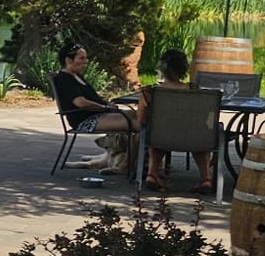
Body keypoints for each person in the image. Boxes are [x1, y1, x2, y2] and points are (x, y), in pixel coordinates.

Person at [138, 48, 217, 194]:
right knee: (201, 136)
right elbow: (207, 117)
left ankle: (152, 174)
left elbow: (141, 120)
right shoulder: (195, 90)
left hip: (161, 137)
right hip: (193, 138)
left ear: (162, 68)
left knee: (155, 132)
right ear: (184, 69)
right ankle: (206, 178)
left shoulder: (149, 92)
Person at [52, 40, 137, 172]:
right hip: (86, 120)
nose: (86, 62)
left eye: (86, 58)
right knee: (137, 123)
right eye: (82, 58)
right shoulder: (64, 78)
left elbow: (92, 98)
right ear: (68, 60)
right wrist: (104, 108)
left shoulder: (76, 76)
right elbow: (80, 103)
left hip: (98, 114)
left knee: (136, 115)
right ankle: (127, 166)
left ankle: (131, 162)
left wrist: (107, 104)